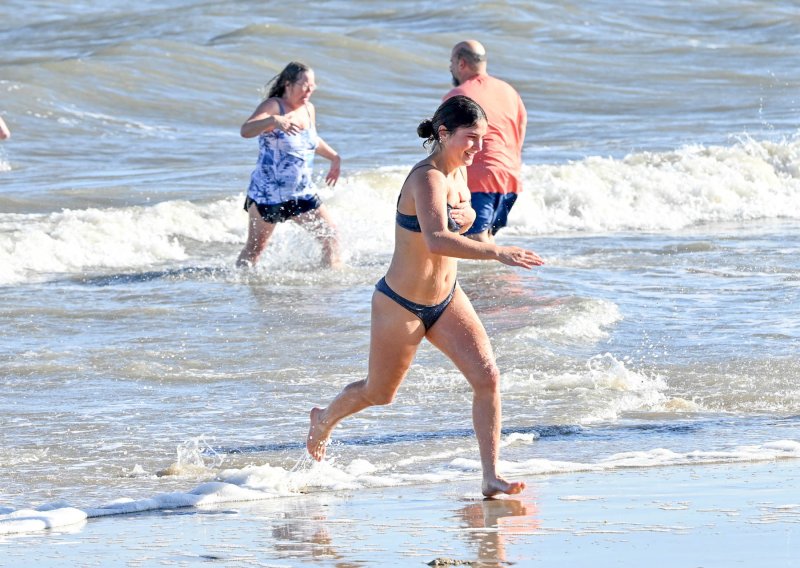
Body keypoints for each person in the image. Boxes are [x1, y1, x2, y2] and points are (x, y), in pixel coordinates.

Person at [306, 95, 544, 497]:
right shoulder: (427, 177)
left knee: (487, 377)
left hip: (447, 298)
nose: (477, 148)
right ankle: (323, 419)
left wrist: (467, 218)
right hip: (400, 304)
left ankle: (490, 476)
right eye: (471, 138)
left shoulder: (459, 172)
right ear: (444, 133)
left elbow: (459, 219)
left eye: (483, 139)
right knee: (378, 394)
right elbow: (436, 240)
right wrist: (498, 252)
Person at [236, 62, 342, 268]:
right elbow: (246, 130)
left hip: (301, 193)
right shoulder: (274, 106)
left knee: (331, 237)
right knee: (255, 250)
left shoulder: (309, 109)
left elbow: (310, 140)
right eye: (304, 85)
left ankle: (327, 288)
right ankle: (244, 292)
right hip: (269, 195)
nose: (309, 90)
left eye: (312, 85)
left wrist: (334, 157)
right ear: (288, 84)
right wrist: (273, 121)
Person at [444, 40, 527, 243]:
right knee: (486, 239)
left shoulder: (457, 96)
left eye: (451, 62)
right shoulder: (509, 91)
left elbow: (447, 141)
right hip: (509, 180)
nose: (450, 68)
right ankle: (492, 276)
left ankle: (486, 277)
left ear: (461, 63)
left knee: (475, 239)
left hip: (481, 178)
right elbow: (520, 131)